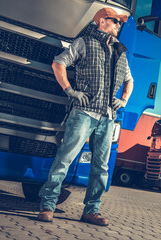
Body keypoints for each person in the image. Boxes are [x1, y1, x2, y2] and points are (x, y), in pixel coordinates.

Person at [37, 7, 134, 226]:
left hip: (108, 117)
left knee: (101, 167)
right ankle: (47, 206)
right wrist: (70, 91)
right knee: (65, 159)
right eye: (115, 21)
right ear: (101, 21)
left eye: (121, 23)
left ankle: (92, 210)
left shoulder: (120, 51)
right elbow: (58, 63)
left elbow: (130, 80)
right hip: (84, 113)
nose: (119, 26)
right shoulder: (84, 43)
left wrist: (124, 100)